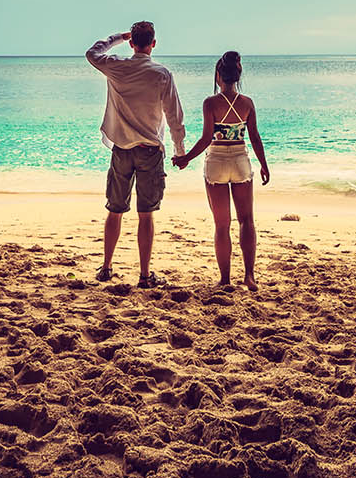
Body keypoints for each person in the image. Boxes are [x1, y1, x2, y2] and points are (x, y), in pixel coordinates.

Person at [85, 21, 186, 288]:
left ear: (132, 43)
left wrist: (117, 36)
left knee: (115, 210)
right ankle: (144, 275)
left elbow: (92, 53)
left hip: (121, 149)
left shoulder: (117, 66)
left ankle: (106, 267)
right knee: (146, 214)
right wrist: (180, 151)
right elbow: (174, 117)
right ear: (154, 43)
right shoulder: (161, 73)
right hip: (149, 151)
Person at [173, 50, 270, 290]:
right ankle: (249, 276)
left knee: (222, 225)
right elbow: (255, 138)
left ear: (218, 76)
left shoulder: (210, 103)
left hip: (216, 162)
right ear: (238, 75)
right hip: (240, 161)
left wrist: (186, 158)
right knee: (246, 220)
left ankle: (225, 279)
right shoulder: (247, 103)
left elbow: (207, 138)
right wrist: (264, 165)